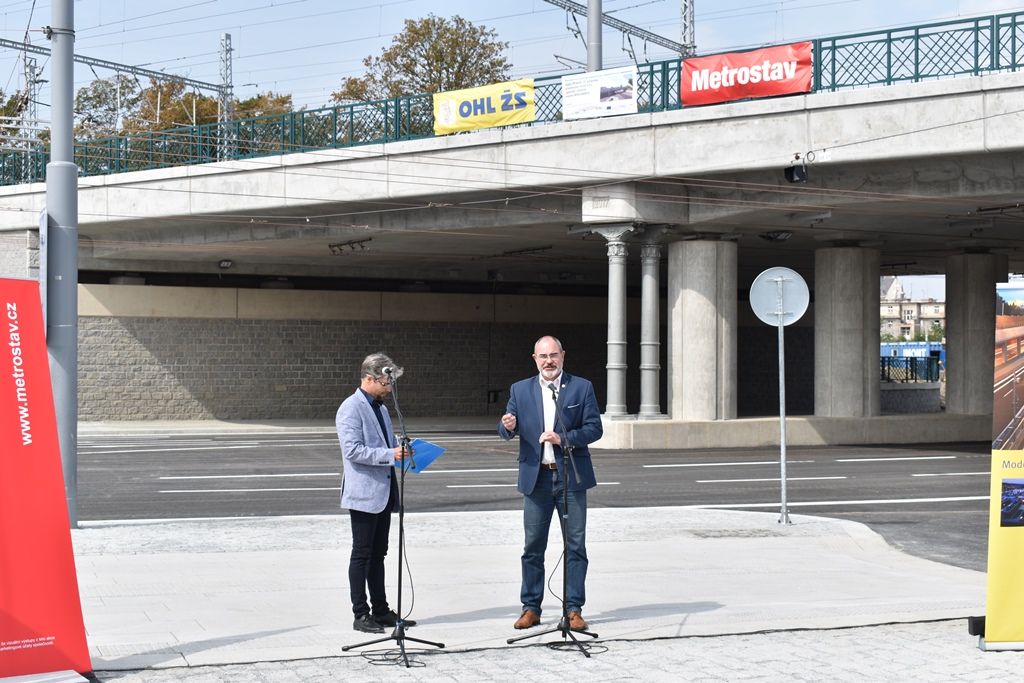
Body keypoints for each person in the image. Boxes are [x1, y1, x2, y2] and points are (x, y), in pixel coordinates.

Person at [497, 335, 603, 632]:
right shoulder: (520, 389)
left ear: (563, 356)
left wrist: (562, 438)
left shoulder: (581, 387)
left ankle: (573, 609)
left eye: (553, 355)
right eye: (543, 356)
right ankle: (531, 608)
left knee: (575, 545)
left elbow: (594, 428)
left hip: (571, 478)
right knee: (533, 546)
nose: (548, 361)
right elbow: (506, 429)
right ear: (535, 359)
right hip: (537, 479)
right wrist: (508, 426)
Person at [336, 352, 416, 634]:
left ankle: (381, 610)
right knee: (362, 553)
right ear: (369, 378)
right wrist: (390, 454)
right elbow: (353, 450)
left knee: (379, 553)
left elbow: (385, 443)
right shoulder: (350, 408)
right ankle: (361, 613)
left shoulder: (380, 408)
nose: (389, 388)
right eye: (386, 382)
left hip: (384, 491)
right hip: (364, 493)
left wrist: (402, 447)